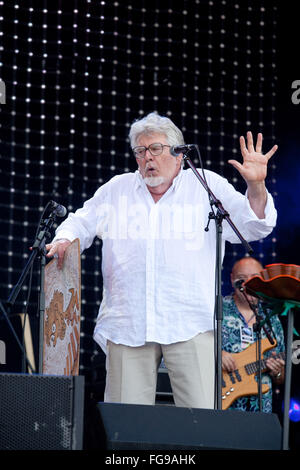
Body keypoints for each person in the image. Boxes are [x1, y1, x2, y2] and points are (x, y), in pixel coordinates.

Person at [45, 112, 278, 409]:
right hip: (128, 323)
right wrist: (65, 239)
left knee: (199, 425)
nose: (147, 158)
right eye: (140, 152)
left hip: (190, 321)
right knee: (125, 427)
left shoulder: (206, 186)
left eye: (155, 149)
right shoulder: (118, 189)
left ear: (179, 154)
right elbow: (81, 221)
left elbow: (254, 225)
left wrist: (256, 186)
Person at [222, 257, 285, 413]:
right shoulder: (217, 310)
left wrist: (276, 371)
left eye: (254, 278)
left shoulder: (272, 319)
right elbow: (192, 350)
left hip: (261, 407)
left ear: (263, 280)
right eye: (241, 279)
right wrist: (215, 354)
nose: (247, 284)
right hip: (221, 401)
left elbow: (281, 378)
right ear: (231, 279)